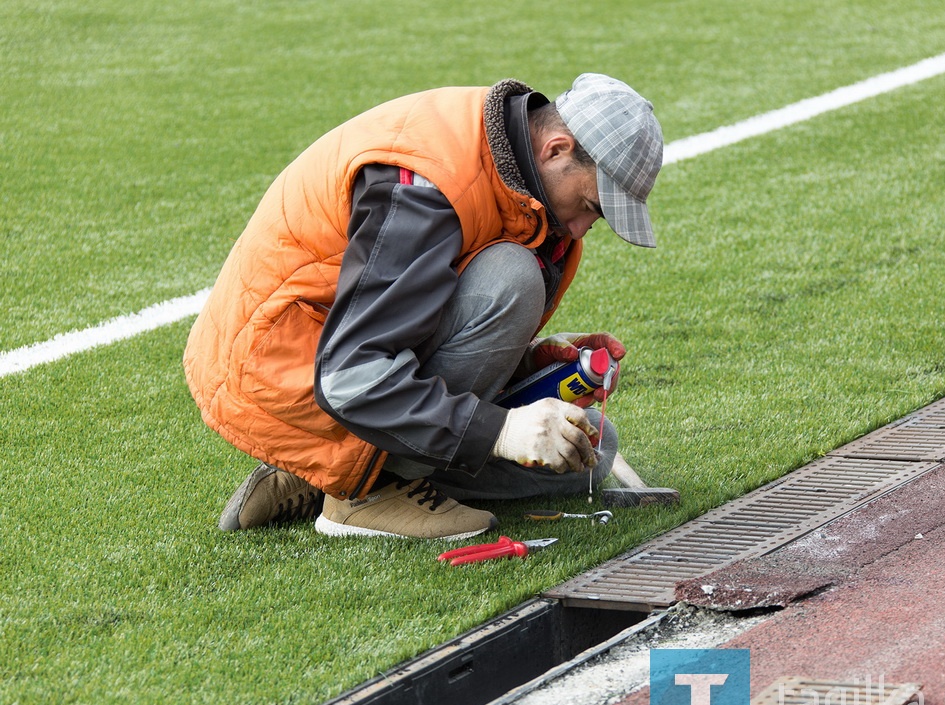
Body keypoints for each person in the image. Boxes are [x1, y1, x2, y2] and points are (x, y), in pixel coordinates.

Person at [183, 73, 664, 540]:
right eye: (590, 205)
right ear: (555, 149)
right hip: (289, 372)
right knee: (512, 278)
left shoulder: (504, 161)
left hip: (340, 359)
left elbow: (419, 309)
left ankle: (324, 470)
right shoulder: (423, 188)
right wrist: (499, 430)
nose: (581, 229)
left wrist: (528, 360)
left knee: (591, 448)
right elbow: (350, 375)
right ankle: (365, 495)